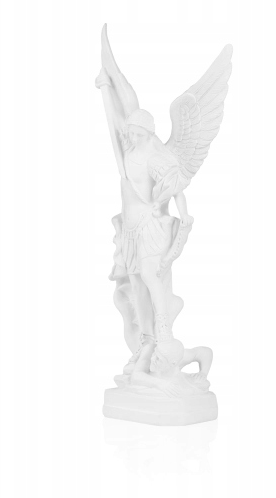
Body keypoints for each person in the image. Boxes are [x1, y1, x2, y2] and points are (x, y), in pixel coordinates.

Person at [96, 69, 193, 353]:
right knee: (137, 283)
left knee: (151, 275)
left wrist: (184, 215)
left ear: (149, 133)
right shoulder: (129, 150)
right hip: (130, 229)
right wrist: (105, 90)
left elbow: (176, 188)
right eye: (132, 133)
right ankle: (146, 339)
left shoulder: (156, 157)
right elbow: (114, 124)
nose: (133, 137)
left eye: (138, 134)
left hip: (150, 227)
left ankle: (163, 329)